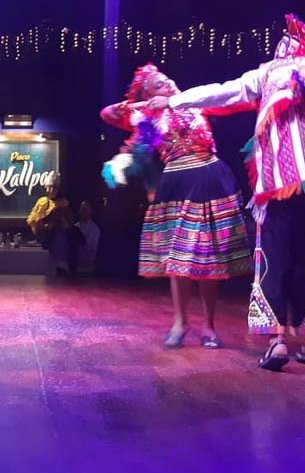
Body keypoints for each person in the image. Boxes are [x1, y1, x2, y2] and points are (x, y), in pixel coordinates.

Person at [148, 15, 305, 370]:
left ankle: (277, 342)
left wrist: (175, 102)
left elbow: (223, 90)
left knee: (272, 258)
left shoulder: (269, 74)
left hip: (278, 184)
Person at [101, 63, 252, 349]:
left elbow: (232, 103)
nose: (168, 83)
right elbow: (108, 113)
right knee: (178, 260)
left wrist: (170, 99)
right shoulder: (146, 118)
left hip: (209, 178)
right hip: (176, 183)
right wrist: (148, 103)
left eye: (167, 79)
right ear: (148, 94)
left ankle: (208, 326)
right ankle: (180, 323)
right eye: (159, 84)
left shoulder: (195, 103)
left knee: (210, 258)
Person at [27, 177, 77, 275]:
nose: (51, 190)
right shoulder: (41, 201)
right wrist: (40, 227)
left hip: (57, 244)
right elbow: (32, 220)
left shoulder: (63, 204)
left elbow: (68, 225)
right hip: (42, 241)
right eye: (49, 187)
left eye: (54, 188)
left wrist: (56, 222)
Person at [75, 201, 101, 273]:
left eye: (86, 209)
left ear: (90, 212)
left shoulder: (94, 228)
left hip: (88, 266)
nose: (84, 211)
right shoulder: (76, 226)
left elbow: (92, 247)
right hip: (75, 265)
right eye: (82, 209)